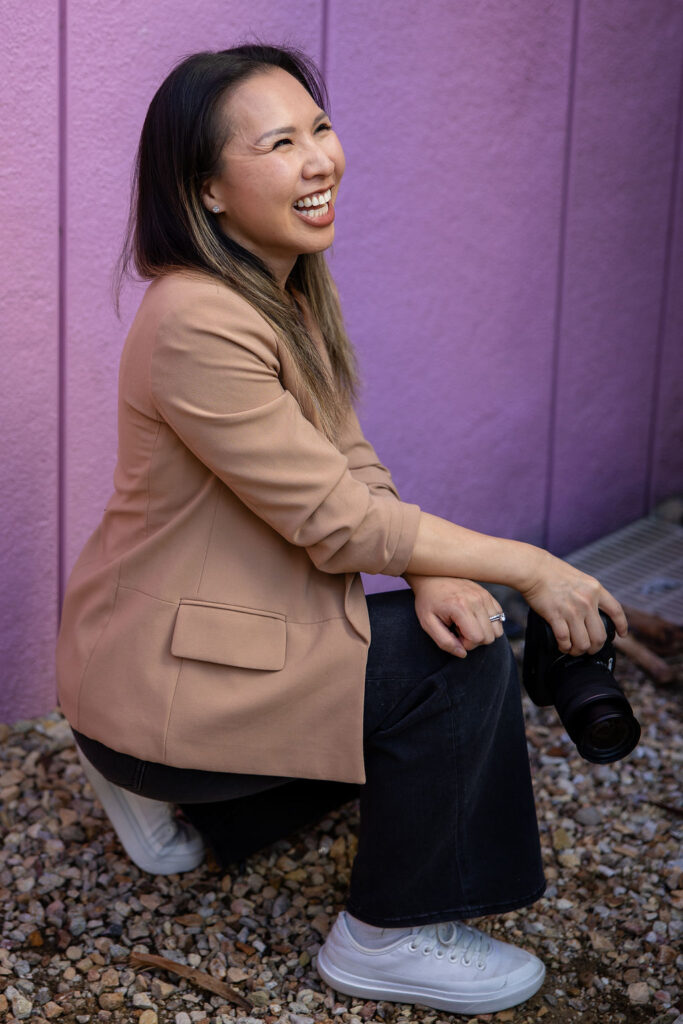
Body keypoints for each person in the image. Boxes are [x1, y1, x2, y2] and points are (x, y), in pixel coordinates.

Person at [56, 44, 628, 1015]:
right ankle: (388, 934)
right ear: (206, 191)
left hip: (176, 658)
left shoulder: (274, 287)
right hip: (166, 677)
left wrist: (436, 568)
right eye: (278, 143)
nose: (319, 158)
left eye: (317, 127)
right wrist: (527, 566)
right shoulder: (199, 321)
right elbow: (335, 525)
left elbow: (347, 464)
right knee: (461, 671)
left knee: (450, 620)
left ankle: (175, 797)